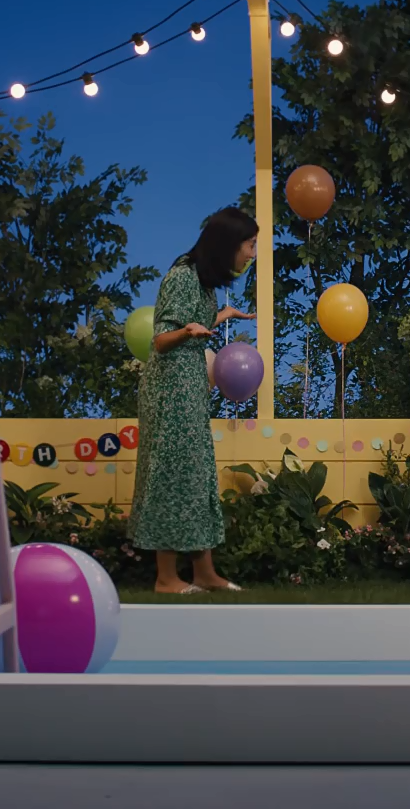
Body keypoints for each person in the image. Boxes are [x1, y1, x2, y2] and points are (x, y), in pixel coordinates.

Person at [131, 206, 257, 594]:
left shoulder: (203, 281)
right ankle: (166, 577)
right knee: (171, 475)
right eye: (250, 244)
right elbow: (161, 339)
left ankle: (204, 572)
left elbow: (194, 323)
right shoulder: (181, 276)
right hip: (170, 390)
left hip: (190, 387)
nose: (252, 253)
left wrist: (222, 315)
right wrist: (187, 333)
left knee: (197, 475)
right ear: (229, 244)